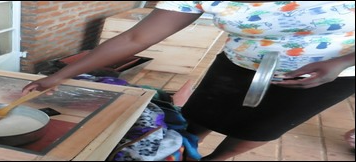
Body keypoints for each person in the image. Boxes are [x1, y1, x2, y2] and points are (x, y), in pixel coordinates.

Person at [22, 1, 355, 161]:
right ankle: (183, 150)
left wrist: (341, 62)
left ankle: (215, 159)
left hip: (326, 73)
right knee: (200, 116)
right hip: (239, 61)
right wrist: (59, 76)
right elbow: (137, 36)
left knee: (262, 126)